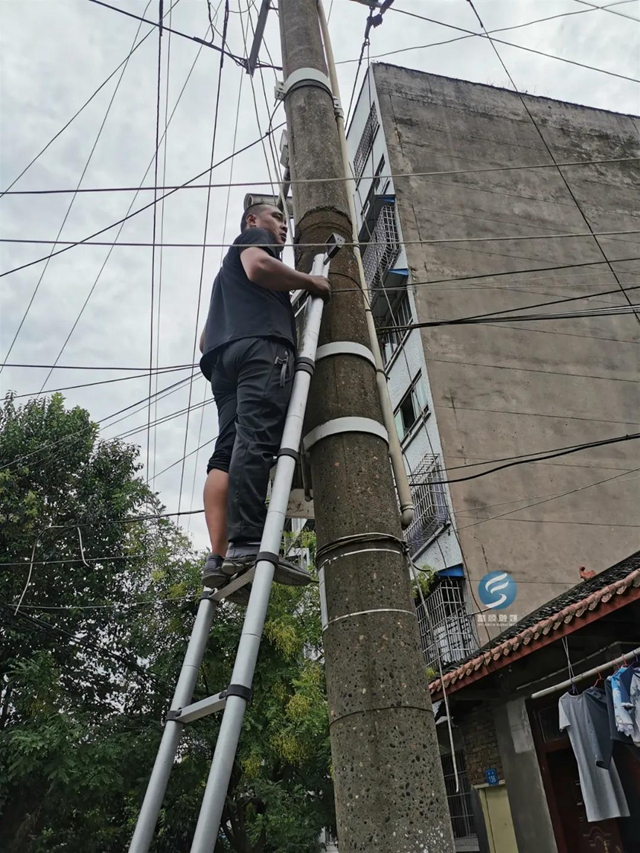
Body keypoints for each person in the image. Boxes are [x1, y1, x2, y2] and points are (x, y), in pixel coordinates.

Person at [198, 202, 331, 602]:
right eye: (277, 218)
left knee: (226, 453)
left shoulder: (225, 279)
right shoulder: (254, 241)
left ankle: (218, 556)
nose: (283, 227)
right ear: (252, 220)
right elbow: (259, 267)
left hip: (222, 364)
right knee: (255, 440)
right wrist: (310, 282)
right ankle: (247, 544)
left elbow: (203, 341)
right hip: (260, 351)